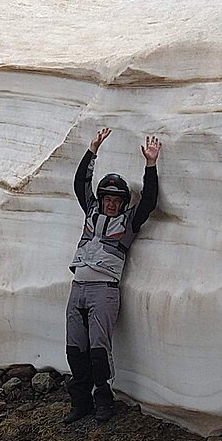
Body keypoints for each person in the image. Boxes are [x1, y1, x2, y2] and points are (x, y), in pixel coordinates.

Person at [64, 128, 161, 424]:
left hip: (104, 291)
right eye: (106, 197)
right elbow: (81, 183)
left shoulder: (129, 221)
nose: (110, 202)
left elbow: (149, 200)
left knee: (98, 349)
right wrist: (92, 150)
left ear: (122, 202)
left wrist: (150, 165)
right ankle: (81, 403)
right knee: (74, 349)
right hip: (78, 287)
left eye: (116, 199)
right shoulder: (91, 212)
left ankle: (104, 402)